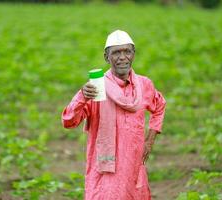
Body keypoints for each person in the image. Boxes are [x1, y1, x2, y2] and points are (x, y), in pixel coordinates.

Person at [61, 30, 166, 200]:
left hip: (134, 166)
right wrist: (82, 96)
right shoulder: (96, 87)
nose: (122, 57)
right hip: (105, 170)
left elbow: (160, 105)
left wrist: (149, 141)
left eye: (127, 51)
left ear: (133, 54)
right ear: (106, 57)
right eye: (116, 52)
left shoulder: (144, 85)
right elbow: (68, 121)